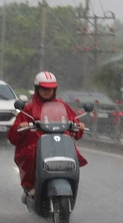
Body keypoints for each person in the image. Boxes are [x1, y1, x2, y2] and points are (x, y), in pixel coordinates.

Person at [7, 71, 87, 199]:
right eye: (43, 88)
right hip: (37, 143)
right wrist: (21, 127)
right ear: (37, 89)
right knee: (31, 154)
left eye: (50, 89)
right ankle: (31, 186)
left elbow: (74, 122)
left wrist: (78, 125)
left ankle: (70, 180)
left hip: (59, 141)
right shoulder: (29, 108)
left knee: (72, 154)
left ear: (54, 90)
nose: (46, 91)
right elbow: (13, 135)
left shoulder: (62, 105)